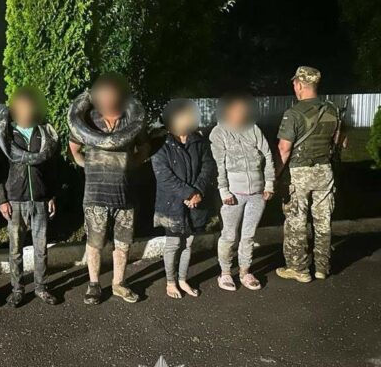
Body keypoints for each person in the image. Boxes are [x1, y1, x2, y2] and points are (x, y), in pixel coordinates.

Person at [68, 74, 150, 305]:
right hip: (95, 196)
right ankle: (94, 285)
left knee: (123, 244)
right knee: (94, 244)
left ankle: (119, 283)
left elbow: (144, 147)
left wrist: (131, 165)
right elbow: (73, 149)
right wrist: (88, 166)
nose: (108, 99)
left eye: (112, 95)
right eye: (103, 95)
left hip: (125, 195)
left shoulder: (132, 120)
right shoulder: (87, 120)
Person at [275, 66, 340, 282]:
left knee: (296, 220)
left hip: (299, 173)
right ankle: (322, 267)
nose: (294, 86)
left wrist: (274, 175)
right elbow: (339, 141)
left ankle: (299, 268)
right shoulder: (332, 110)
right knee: (323, 220)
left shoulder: (293, 113)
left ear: (300, 85)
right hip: (324, 171)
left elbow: (284, 149)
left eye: (295, 83)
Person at [0, 87, 59, 307]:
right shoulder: (6, 135)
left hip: (40, 201)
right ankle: (17, 289)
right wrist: (2, 199)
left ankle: (41, 287)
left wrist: (51, 196)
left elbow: (52, 168)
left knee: (41, 249)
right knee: (15, 250)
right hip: (15, 200)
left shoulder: (43, 134)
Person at [209, 93, 275, 291]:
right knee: (229, 236)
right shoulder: (219, 132)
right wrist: (223, 191)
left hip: (257, 193)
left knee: (249, 236)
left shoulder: (254, 129)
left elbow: (268, 155)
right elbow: (218, 164)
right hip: (233, 194)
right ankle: (225, 273)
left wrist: (269, 183)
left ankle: (245, 271)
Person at [152, 99, 215, 299]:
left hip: (195, 203)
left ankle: (182, 279)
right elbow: (164, 176)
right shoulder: (161, 144)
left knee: (188, 244)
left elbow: (208, 167)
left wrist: (198, 192)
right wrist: (188, 193)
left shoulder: (199, 141)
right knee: (173, 244)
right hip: (171, 204)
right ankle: (171, 282)